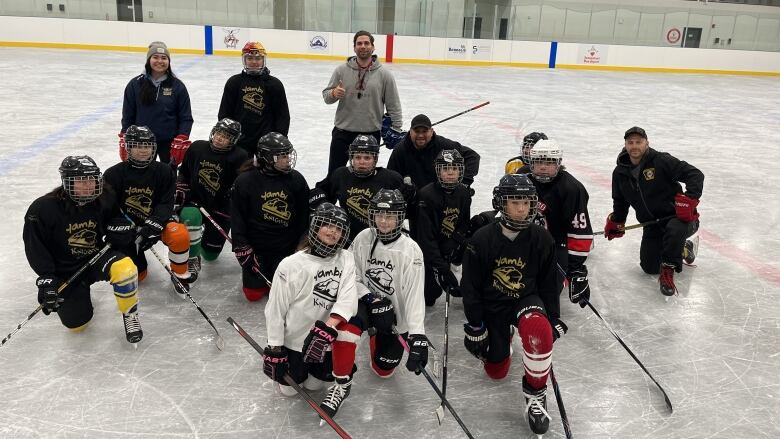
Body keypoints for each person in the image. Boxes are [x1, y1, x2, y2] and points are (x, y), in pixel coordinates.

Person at [460, 173, 563, 436]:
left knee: (539, 334)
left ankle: (536, 393)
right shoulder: (481, 239)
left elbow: (549, 283)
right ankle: (501, 337)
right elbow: (470, 287)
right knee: (496, 370)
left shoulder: (542, 238)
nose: (521, 208)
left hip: (526, 300)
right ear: (501, 204)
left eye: (526, 202)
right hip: (492, 304)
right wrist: (475, 325)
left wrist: (551, 318)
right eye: (514, 202)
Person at [23, 155, 142, 343]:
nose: (88, 185)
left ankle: (130, 314)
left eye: (92, 179)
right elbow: (35, 247)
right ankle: (80, 296)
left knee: (125, 269)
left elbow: (119, 219)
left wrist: (122, 230)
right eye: (81, 180)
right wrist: (47, 279)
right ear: (66, 181)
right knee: (77, 325)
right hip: (67, 271)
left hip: (97, 258)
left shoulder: (105, 196)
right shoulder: (43, 208)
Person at [262, 203, 360, 419]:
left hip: (323, 343)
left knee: (316, 386)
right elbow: (276, 309)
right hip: (294, 342)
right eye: (328, 225)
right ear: (315, 227)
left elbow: (348, 299)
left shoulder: (346, 258)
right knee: (289, 390)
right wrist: (275, 347)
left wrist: (328, 328)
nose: (333, 231)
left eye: (339, 228)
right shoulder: (291, 265)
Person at [605, 126, 704, 296]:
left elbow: (695, 175)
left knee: (674, 229)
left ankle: (668, 270)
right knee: (649, 267)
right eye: (631, 142)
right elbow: (620, 200)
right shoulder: (620, 172)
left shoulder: (661, 161)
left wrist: (689, 200)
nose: (634, 146)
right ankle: (684, 248)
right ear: (625, 145)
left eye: (639, 142)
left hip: (680, 219)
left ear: (647, 143)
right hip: (652, 225)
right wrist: (617, 221)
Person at [104, 125, 194, 296]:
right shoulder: (112, 174)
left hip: (154, 223)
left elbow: (166, 202)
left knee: (179, 234)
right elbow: (109, 210)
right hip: (128, 229)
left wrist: (154, 224)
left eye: (147, 146)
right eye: (138, 146)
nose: (143, 150)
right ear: (128, 147)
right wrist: (125, 230)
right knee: (139, 276)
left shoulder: (164, 171)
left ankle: (180, 275)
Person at [349, 189, 428, 378]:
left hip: (394, 317)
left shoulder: (411, 250)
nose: (383, 221)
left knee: (383, 370)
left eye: (390, 216)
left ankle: (377, 335)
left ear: (400, 218)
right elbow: (351, 276)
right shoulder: (363, 238)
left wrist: (417, 335)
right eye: (379, 215)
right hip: (366, 302)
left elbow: (414, 295)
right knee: (347, 329)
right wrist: (369, 297)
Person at [230, 132, 309, 302]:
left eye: (287, 154)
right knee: (253, 295)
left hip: (286, 249)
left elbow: (304, 217)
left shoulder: (296, 179)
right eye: (282, 156)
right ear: (267, 158)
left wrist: (302, 246)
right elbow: (237, 219)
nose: (288, 159)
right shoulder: (245, 181)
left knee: (286, 293)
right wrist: (242, 247)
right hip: (258, 249)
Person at [322, 30, 402, 175]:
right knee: (334, 175)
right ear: (354, 48)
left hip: (371, 134)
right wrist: (334, 93)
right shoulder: (341, 70)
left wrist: (396, 128)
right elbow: (326, 97)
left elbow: (394, 105)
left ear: (373, 47)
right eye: (359, 43)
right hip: (342, 133)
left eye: (366, 43)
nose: (363, 46)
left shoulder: (384, 75)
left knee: (366, 176)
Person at [177, 118, 248, 279]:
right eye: (218, 133)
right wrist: (181, 186)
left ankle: (201, 239)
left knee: (210, 255)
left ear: (234, 140)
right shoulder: (197, 147)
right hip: (194, 202)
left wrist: (231, 198)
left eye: (226, 136)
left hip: (219, 209)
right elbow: (184, 172)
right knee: (190, 217)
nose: (219, 138)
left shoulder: (240, 157)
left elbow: (243, 186)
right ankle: (193, 257)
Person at [527, 139, 593, 307]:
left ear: (558, 164)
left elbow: (579, 231)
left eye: (548, 162)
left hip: (557, 244)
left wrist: (575, 269)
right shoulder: (522, 180)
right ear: (531, 163)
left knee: (546, 292)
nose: (543, 167)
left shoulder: (572, 188)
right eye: (539, 162)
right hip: (524, 240)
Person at [309, 134, 404, 244]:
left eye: (367, 158)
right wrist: (320, 200)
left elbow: (405, 212)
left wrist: (411, 195)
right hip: (346, 240)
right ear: (351, 158)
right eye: (358, 157)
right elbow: (320, 192)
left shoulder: (391, 179)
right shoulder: (340, 175)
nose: (362, 162)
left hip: (381, 240)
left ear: (375, 159)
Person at [412, 149, 472, 307]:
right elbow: (425, 238)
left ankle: (470, 283)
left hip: (450, 244)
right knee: (429, 297)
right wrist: (442, 268)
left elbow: (464, 223)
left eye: (454, 168)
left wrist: (455, 243)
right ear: (438, 170)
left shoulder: (464, 193)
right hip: (430, 249)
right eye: (446, 169)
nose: (450, 173)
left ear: (461, 170)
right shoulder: (426, 195)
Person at [120, 41, 193, 166]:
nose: (160, 61)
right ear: (149, 60)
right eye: (155, 57)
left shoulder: (177, 86)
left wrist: (182, 136)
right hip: (141, 142)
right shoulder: (135, 84)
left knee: (168, 176)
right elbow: (128, 115)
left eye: (164, 58)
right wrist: (125, 135)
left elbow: (185, 117)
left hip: (169, 142)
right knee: (143, 177)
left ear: (169, 62)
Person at [218, 41, 290, 158]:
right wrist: (229, 136)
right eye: (250, 58)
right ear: (244, 60)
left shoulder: (274, 84)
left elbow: (283, 116)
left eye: (258, 58)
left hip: (267, 143)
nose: (254, 62)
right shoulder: (234, 82)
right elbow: (224, 113)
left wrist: (277, 140)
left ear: (263, 60)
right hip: (239, 142)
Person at [387, 113, 480, 191]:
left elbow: (472, 156)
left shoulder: (443, 145)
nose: (420, 135)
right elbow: (391, 178)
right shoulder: (400, 150)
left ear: (431, 131)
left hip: (440, 197)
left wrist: (464, 183)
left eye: (424, 131)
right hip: (412, 200)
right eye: (417, 131)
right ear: (410, 131)